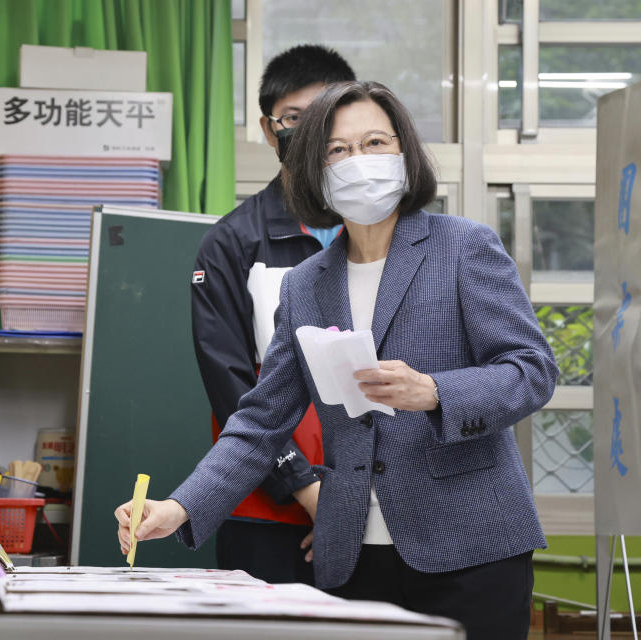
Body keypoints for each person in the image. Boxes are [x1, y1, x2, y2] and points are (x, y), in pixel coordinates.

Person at [117, 81, 559, 639]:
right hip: (351, 555)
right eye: (338, 150)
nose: (360, 161)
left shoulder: (463, 247)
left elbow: (531, 371)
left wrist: (437, 392)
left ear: (405, 154)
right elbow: (259, 421)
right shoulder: (306, 284)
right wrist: (178, 508)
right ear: (315, 171)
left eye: (376, 142)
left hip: (470, 548)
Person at [189, 44, 354, 585]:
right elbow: (232, 383)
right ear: (268, 130)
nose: (310, 135)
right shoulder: (231, 244)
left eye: (326, 118)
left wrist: (356, 500)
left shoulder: (389, 233)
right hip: (267, 510)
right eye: (294, 120)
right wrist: (309, 492)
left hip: (379, 508)